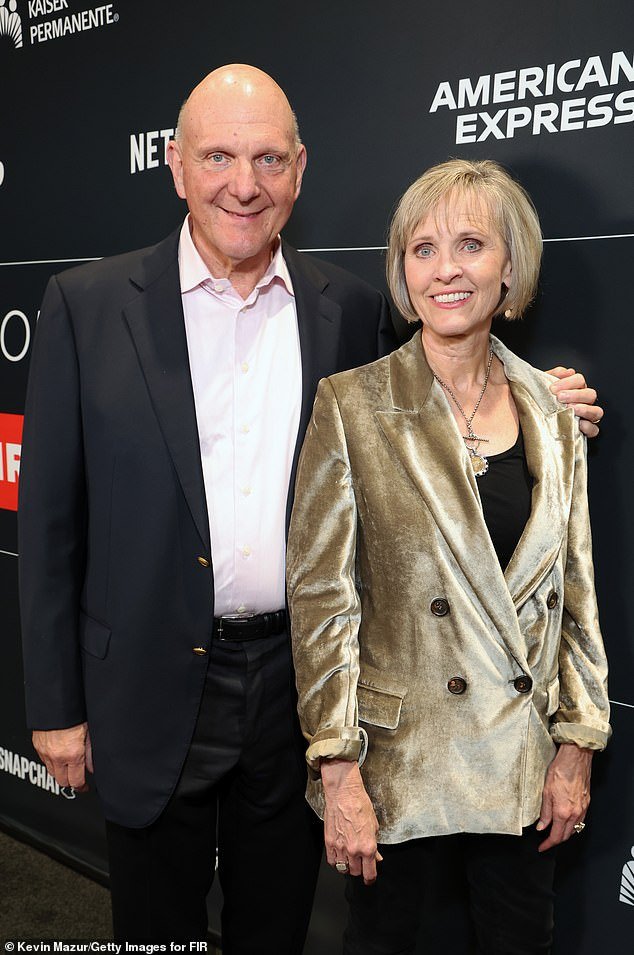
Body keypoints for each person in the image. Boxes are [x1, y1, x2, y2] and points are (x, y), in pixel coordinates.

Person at [18, 63, 599, 949]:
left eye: (267, 159)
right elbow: (49, 524)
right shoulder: (86, 306)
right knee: (152, 928)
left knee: (276, 928)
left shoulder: (351, 310)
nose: (243, 184)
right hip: (146, 684)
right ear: (175, 165)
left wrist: (543, 394)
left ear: (299, 170)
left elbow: (437, 390)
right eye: (217, 157)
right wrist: (55, 705)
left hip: (298, 690)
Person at [287, 158, 610, 955]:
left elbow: (575, 594)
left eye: (471, 244)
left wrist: (576, 746)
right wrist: (337, 768)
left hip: (518, 766)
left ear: (510, 267)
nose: (445, 269)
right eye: (423, 249)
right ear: (403, 270)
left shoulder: (554, 415)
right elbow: (322, 603)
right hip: (397, 769)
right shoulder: (352, 404)